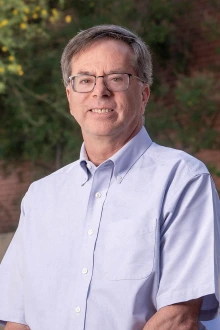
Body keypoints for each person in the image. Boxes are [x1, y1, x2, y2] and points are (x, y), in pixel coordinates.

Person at [0, 24, 219, 330]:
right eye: (84, 80)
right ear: (69, 96)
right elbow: (18, 320)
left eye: (116, 78)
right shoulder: (39, 197)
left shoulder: (183, 180)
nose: (98, 91)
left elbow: (178, 317)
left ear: (143, 94)